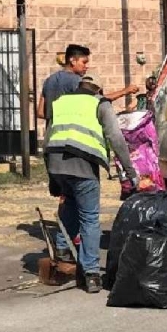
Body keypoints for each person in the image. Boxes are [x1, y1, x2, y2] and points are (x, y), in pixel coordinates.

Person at [44, 76, 138, 293]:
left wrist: (52, 177)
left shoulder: (62, 101)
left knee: (69, 204)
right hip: (83, 164)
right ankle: (91, 273)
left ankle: (63, 250)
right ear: (99, 90)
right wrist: (130, 171)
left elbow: (49, 136)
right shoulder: (100, 103)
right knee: (90, 217)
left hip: (56, 163)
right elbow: (115, 137)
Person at [38, 44, 140, 127]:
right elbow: (97, 100)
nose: (86, 66)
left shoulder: (49, 80)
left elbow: (40, 113)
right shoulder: (77, 81)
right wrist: (125, 91)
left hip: (51, 139)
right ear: (73, 60)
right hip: (71, 138)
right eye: (84, 62)